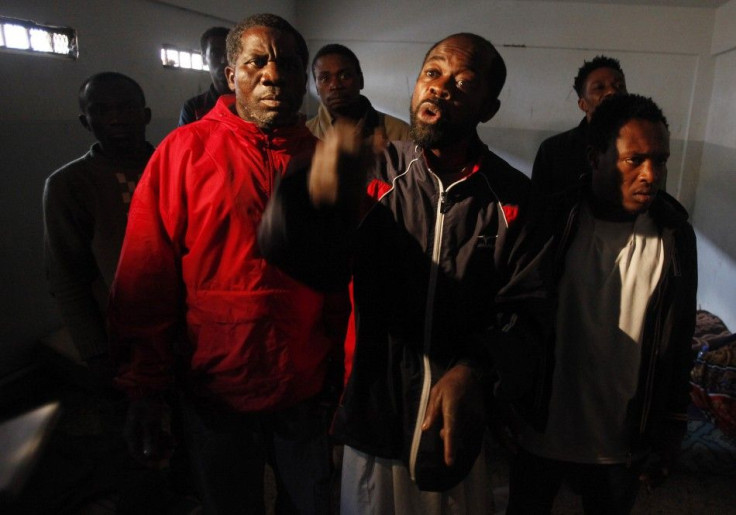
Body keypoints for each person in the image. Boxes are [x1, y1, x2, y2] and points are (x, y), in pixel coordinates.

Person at [259, 33, 530, 513]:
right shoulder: (373, 172)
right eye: (432, 73)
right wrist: (309, 192)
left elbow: (527, 308)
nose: (440, 87)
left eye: (463, 82)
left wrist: (474, 367)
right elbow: (304, 261)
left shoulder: (513, 198)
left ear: (488, 107)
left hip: (454, 420)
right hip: (375, 408)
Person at [109, 14, 348, 515]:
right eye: (256, 61)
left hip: (304, 388)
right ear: (230, 72)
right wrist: (145, 387)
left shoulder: (325, 162)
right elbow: (146, 279)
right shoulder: (184, 152)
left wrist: (342, 382)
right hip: (214, 390)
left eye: (289, 64)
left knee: (311, 505)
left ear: (302, 75)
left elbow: (344, 285)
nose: (273, 75)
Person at [500, 94, 697, 514]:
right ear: (595, 157)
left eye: (660, 161)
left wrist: (669, 432)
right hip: (542, 432)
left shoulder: (675, 234)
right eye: (635, 160)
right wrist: (506, 402)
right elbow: (516, 314)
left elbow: (678, 341)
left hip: (620, 442)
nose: (651, 174)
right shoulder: (552, 220)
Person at [43, 71, 153, 374]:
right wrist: (95, 354)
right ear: (85, 122)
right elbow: (66, 277)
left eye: (126, 108)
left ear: (145, 116)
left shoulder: (176, 166)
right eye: (101, 110)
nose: (116, 119)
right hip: (122, 338)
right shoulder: (69, 184)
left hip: (188, 329)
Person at [531, 55, 626, 194]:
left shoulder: (645, 144)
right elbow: (539, 206)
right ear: (583, 104)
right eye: (599, 87)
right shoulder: (554, 150)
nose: (612, 91)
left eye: (619, 86)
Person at [306, 43, 410, 145]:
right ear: (316, 87)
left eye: (345, 76)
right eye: (324, 78)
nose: (335, 85)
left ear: (361, 81)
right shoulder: (305, 134)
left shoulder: (400, 133)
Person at [178, 26, 231, 125]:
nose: (224, 61)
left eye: (229, 54)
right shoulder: (193, 109)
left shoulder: (252, 105)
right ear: (204, 59)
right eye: (215, 53)